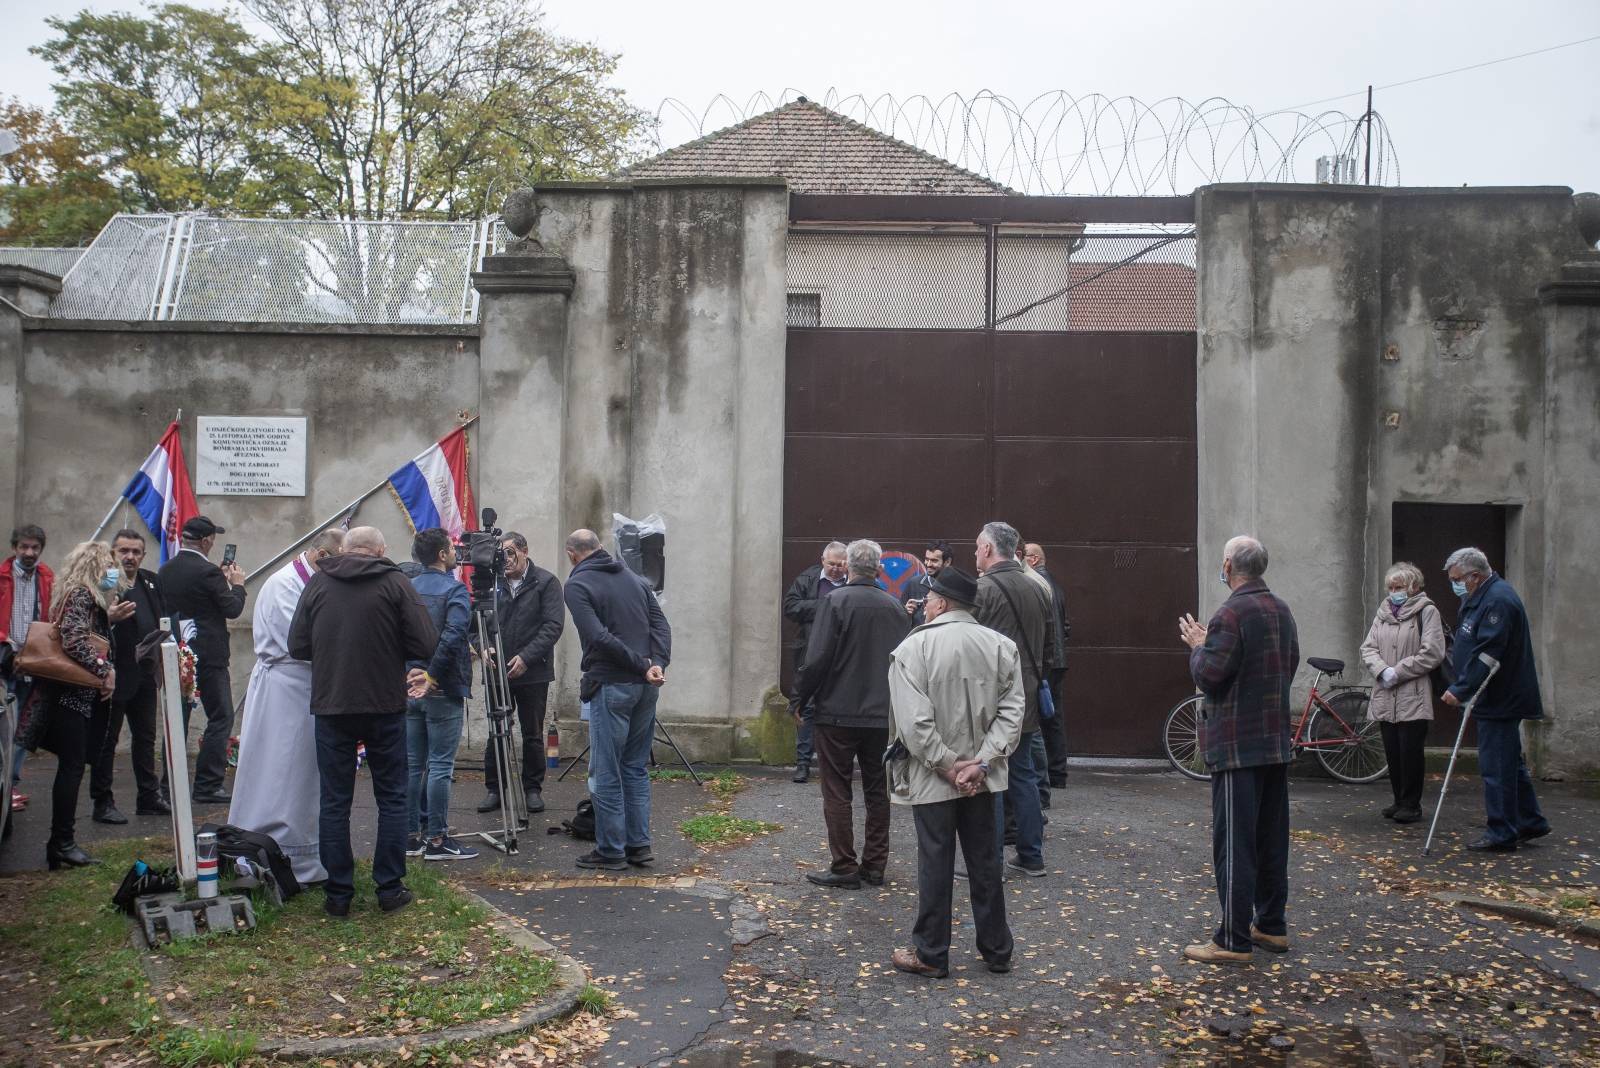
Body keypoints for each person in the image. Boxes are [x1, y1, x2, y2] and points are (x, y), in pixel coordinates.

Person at [288, 526, 437, 916]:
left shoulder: (319, 584)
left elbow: (297, 645)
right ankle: (389, 888)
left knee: (335, 801)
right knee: (391, 796)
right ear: (381, 549)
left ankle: (338, 894)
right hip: (383, 705)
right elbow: (425, 642)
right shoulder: (395, 583)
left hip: (332, 704)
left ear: (345, 549)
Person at [887, 566, 1023, 979]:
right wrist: (980, 762)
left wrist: (948, 767)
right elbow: (1012, 713)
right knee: (985, 862)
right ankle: (997, 949)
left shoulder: (913, 649)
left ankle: (931, 953)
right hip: (985, 778)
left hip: (933, 778)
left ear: (941, 603)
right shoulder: (1002, 646)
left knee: (935, 862)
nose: (925, 604)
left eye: (929, 599)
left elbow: (914, 724)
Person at [1177, 535, 1299, 965]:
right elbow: (1290, 662)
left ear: (1228, 566)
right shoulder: (1280, 609)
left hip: (1237, 745)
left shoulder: (1230, 612)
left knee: (1235, 843)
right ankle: (1271, 924)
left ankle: (1232, 939)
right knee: (1270, 838)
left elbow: (1210, 674)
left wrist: (1197, 645)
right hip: (1274, 742)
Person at [791, 539, 911, 889]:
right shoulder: (895, 607)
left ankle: (844, 866)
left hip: (837, 714)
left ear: (849, 568)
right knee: (878, 790)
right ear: (877, 569)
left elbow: (817, 658)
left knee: (837, 790)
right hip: (880, 716)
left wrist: (799, 698)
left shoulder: (835, 601)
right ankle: (875, 865)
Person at [227, 529, 343, 885]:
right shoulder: (284, 585)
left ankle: (307, 852)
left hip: (302, 685)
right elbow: (301, 641)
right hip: (287, 688)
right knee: (282, 769)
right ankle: (286, 853)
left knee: (303, 771)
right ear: (322, 557)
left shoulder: (307, 580)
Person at [563, 528, 672, 872]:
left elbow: (597, 637)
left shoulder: (577, 585)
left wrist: (643, 666)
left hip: (612, 684)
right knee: (635, 768)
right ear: (599, 548)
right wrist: (655, 664)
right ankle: (638, 846)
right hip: (645, 687)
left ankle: (611, 849)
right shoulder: (634, 578)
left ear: (572, 555)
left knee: (606, 771)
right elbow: (661, 627)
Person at [1442, 547, 1551, 852]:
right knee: (1509, 764)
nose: (1455, 585)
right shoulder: (1480, 595)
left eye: (1457, 579)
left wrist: (1460, 689)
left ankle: (1501, 832)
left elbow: (1489, 654)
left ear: (1474, 576)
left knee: (1496, 767)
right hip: (1492, 696)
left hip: (1500, 697)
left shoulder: (1498, 601)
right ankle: (1531, 821)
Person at [21, 541, 119, 869]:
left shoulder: (78, 595)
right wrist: (104, 671)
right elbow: (74, 640)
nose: (113, 571)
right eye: (108, 564)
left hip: (71, 697)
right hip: (68, 698)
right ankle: (62, 841)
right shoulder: (81, 595)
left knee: (73, 766)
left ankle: (61, 842)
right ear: (95, 566)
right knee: (72, 767)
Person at [973, 521, 1055, 877]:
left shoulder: (983, 589)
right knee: (1023, 776)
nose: (975, 553)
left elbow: (969, 646)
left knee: (990, 775)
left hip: (993, 698)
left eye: (977, 547)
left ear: (989, 549)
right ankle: (1031, 855)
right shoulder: (1038, 586)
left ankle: (988, 860)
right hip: (1029, 693)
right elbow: (1049, 646)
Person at [157, 515, 247, 804]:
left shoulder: (166, 570)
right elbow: (232, 608)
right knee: (221, 716)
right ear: (207, 541)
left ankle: (167, 786)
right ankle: (207, 785)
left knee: (178, 720)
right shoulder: (208, 573)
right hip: (209, 655)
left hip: (178, 651)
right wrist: (236, 584)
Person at [477, 531, 564, 817]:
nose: (506, 559)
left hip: (533, 671)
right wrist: (484, 647)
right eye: (502, 553)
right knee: (497, 731)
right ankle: (494, 789)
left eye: (511, 553)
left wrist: (526, 657)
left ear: (525, 551)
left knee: (532, 733)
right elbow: (473, 623)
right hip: (496, 671)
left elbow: (552, 625)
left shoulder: (546, 582)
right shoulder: (491, 583)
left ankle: (532, 789)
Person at [404, 528, 477, 862]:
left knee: (413, 764)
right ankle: (436, 839)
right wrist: (431, 675)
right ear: (443, 554)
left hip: (408, 686)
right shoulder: (455, 590)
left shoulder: (405, 588)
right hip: (441, 687)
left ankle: (409, 837)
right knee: (440, 767)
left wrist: (411, 671)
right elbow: (453, 636)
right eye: (451, 548)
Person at [89, 530, 168, 824]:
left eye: (136, 551)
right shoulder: (106, 581)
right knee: (107, 741)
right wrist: (108, 617)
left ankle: (148, 796)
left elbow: (162, 617)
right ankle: (103, 801)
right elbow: (89, 623)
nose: (130, 557)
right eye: (124, 551)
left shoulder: (151, 580)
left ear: (143, 555)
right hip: (113, 673)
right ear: (113, 553)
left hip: (145, 674)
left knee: (145, 739)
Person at [1358, 562, 1446, 825]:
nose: (1393, 592)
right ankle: (1398, 800)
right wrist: (1383, 670)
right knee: (1392, 749)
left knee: (1410, 750)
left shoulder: (1427, 611)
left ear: (1414, 588)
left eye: (1399, 587)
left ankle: (1411, 803)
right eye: (1391, 587)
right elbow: (1368, 647)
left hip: (1412, 691)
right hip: (1386, 690)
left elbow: (1432, 651)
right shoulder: (1383, 612)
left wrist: (1400, 671)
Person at [782, 541, 848, 783]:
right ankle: (802, 763)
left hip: (842, 657)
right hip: (811, 654)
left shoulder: (852, 582)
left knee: (839, 709)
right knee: (806, 707)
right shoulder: (808, 579)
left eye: (840, 565)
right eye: (831, 564)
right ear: (822, 561)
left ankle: (837, 766)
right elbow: (791, 607)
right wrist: (824, 607)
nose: (835, 569)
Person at [2, 524, 52, 812]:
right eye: (24, 547)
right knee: (3, 726)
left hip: (33, 662)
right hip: (5, 660)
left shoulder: (45, 577)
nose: (29, 552)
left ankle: (12, 784)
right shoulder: (2, 577)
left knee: (24, 726)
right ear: (14, 548)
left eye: (35, 548)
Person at [1023, 542, 1071, 789]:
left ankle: (1048, 777)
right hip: (1057, 660)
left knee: (1039, 719)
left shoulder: (1040, 585)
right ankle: (1057, 773)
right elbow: (1065, 627)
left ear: (1032, 560)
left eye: (1022, 556)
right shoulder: (1054, 584)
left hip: (1048, 661)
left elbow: (1048, 626)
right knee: (1052, 716)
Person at [901, 540, 953, 627]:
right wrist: (906, 612)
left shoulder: (956, 587)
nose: (928, 564)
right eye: (926, 559)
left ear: (947, 562)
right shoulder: (914, 584)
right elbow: (900, 618)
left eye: (934, 560)